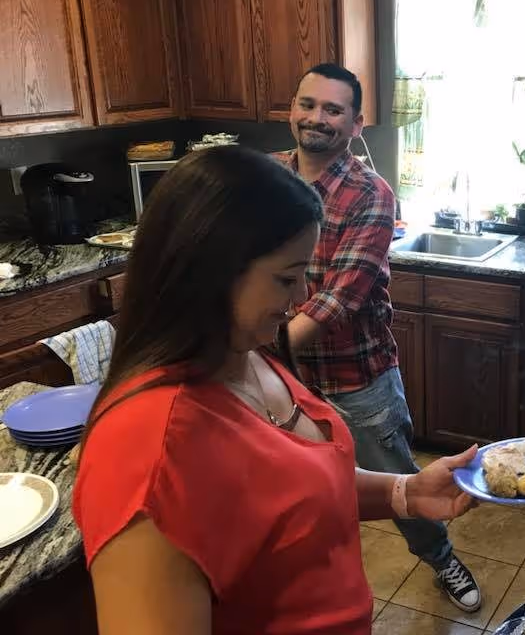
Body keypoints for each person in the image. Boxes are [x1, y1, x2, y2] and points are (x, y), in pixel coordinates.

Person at [73, 147, 477, 634]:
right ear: (209, 272)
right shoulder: (147, 453)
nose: (302, 297)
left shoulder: (247, 352)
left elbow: (297, 487)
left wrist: (405, 491)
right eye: (287, 277)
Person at [273, 64, 481, 611]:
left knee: (399, 487)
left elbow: (337, 301)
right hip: (278, 379)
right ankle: (314, 584)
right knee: (295, 491)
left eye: (333, 109)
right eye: (308, 104)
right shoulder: (264, 180)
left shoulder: (371, 194)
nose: (317, 118)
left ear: (356, 123)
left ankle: (440, 558)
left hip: (355, 380)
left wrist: (251, 353)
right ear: (291, 108)